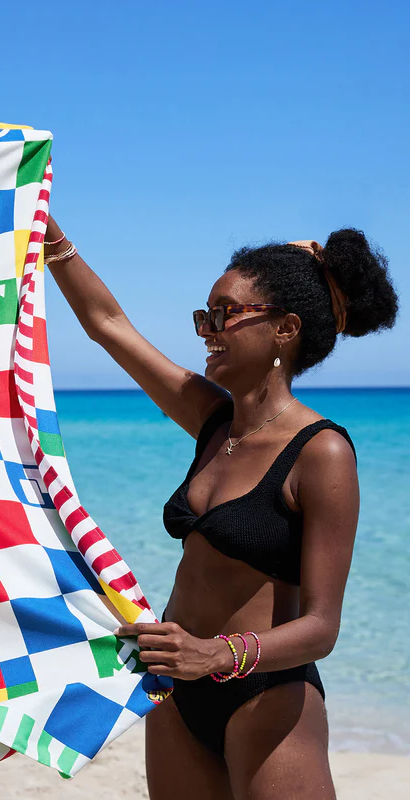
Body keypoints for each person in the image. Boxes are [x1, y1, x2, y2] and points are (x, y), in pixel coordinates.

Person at [42, 218, 398, 799]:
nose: (208, 331)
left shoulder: (322, 452)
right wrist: (49, 236)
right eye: (204, 316)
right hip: (175, 691)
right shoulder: (214, 423)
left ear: (285, 329)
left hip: (266, 694)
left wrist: (214, 655)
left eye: (226, 314)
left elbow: (320, 628)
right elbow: (108, 325)